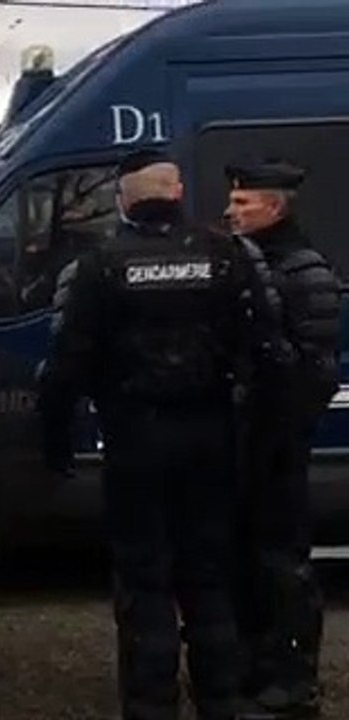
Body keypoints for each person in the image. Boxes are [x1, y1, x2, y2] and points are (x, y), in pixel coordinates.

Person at [38, 148, 292, 720]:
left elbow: (66, 364)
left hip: (136, 443)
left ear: (125, 200)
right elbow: (270, 354)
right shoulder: (225, 254)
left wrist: (54, 442)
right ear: (176, 192)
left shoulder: (101, 265)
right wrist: (263, 439)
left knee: (145, 581)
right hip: (209, 438)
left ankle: (151, 705)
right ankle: (221, 700)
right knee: (209, 577)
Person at [223, 159, 340, 719]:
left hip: (277, 447)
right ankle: (251, 668)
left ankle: (293, 681)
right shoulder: (247, 264)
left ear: (276, 207)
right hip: (243, 443)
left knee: (282, 566)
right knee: (244, 562)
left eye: (243, 203)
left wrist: (276, 430)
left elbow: (315, 374)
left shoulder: (305, 272)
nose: (230, 211)